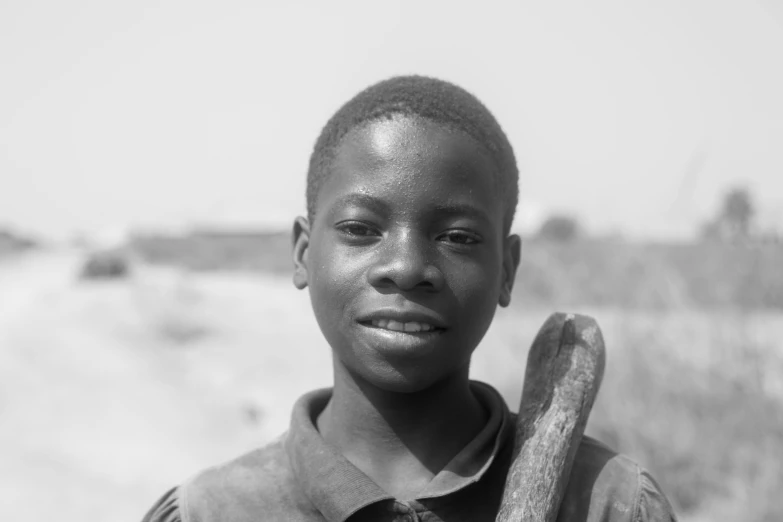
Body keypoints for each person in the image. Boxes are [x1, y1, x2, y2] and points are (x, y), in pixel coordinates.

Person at [142, 75, 677, 522]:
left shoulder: (610, 504)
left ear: (507, 269)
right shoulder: (212, 512)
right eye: (359, 228)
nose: (405, 268)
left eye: (458, 237)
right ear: (304, 253)